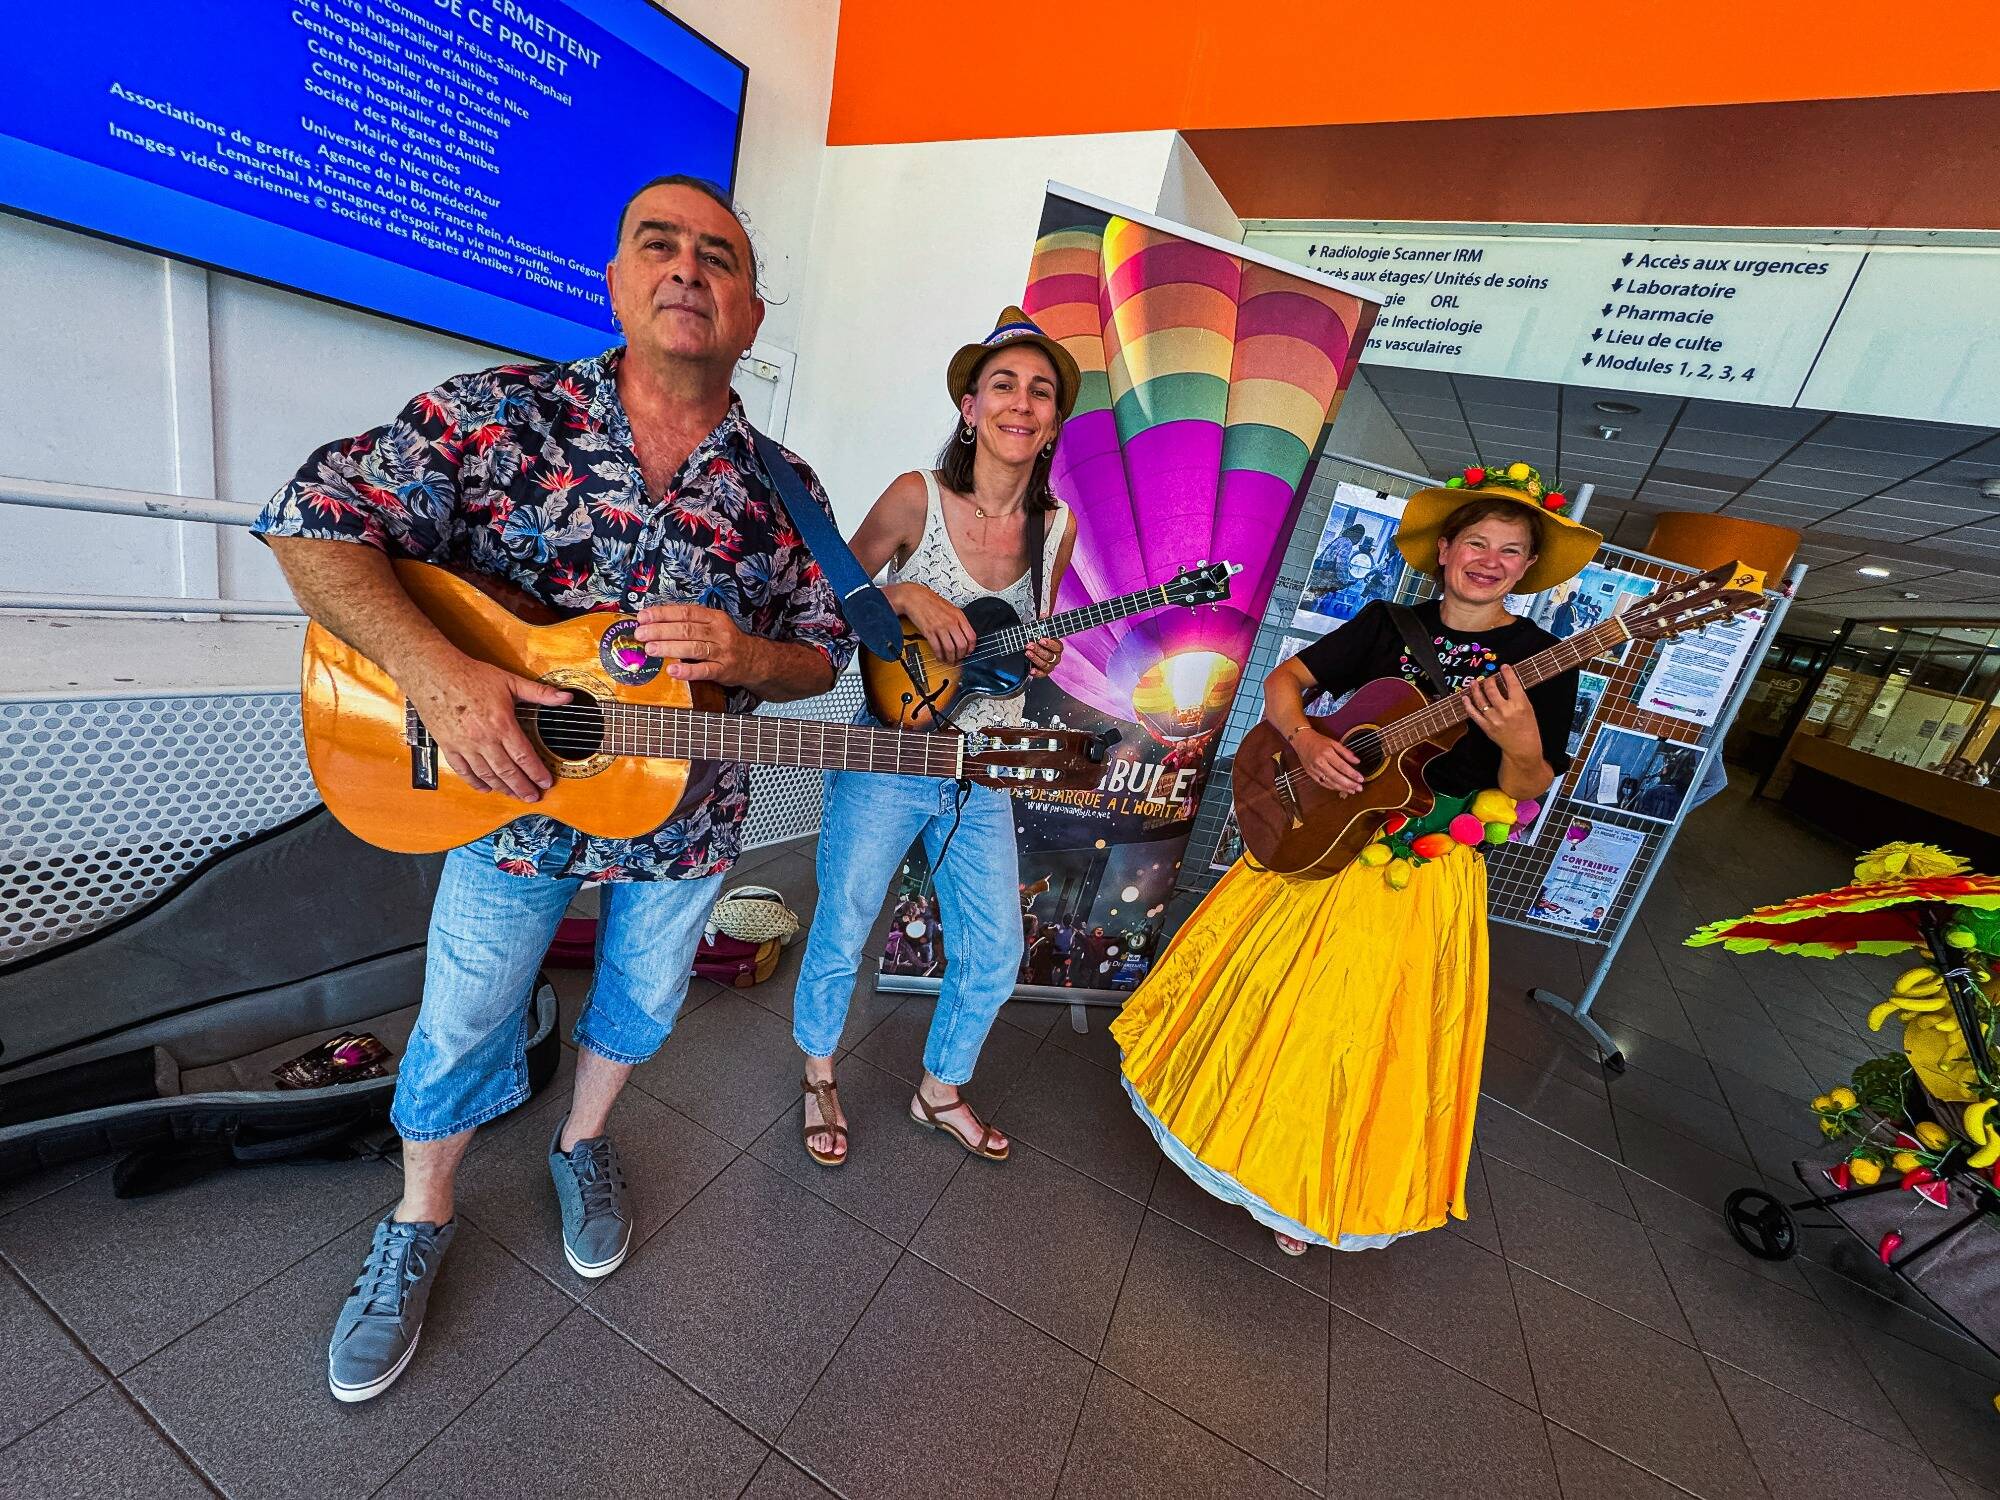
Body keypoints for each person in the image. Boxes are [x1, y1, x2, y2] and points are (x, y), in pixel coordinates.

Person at [255, 177, 856, 1402]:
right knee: (465, 1014)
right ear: (617, 280)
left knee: (640, 998)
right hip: (501, 805)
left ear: (750, 314)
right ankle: (419, 1219)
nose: (688, 269)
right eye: (660, 245)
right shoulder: (497, 418)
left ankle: (582, 1144)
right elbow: (310, 521)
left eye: (720, 259)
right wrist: (440, 680)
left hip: (691, 822)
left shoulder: (787, 488)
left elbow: (823, 650)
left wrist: (748, 659)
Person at [1113, 475, 1599, 1256]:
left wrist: (1517, 741)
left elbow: (1526, 787)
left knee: (1353, 1030)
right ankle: (1208, 1120)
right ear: (1444, 551)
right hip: (1323, 834)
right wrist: (1307, 742)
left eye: (1512, 551)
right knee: (1261, 994)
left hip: (1422, 867)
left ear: (1529, 568)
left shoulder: (1544, 660)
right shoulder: (1387, 623)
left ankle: (1298, 1180)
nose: (1490, 560)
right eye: (1477, 542)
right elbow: (1284, 685)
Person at [789, 308, 1078, 1166]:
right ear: (968, 403)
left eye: (1040, 391)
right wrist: (907, 598)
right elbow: (829, 590)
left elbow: (1023, 648)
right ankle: (817, 1074)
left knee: (995, 947)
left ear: (1054, 420)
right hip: (889, 751)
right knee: (843, 923)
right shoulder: (918, 494)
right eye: (1003, 386)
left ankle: (939, 1089)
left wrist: (1039, 655)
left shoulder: (1056, 529)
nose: (1020, 404)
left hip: (982, 767)